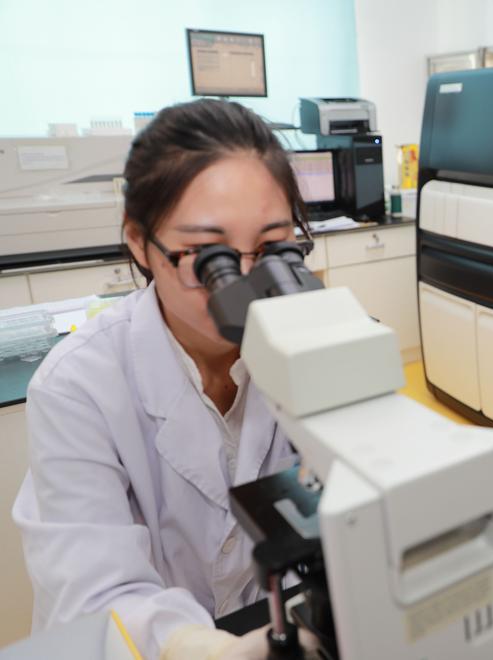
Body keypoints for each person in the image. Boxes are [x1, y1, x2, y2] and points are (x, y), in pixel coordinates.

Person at [12, 99, 316, 659]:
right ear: (138, 242)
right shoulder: (78, 385)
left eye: (273, 248)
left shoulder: (315, 343)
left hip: (273, 618)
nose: (243, 285)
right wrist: (203, 649)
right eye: (208, 258)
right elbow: (94, 591)